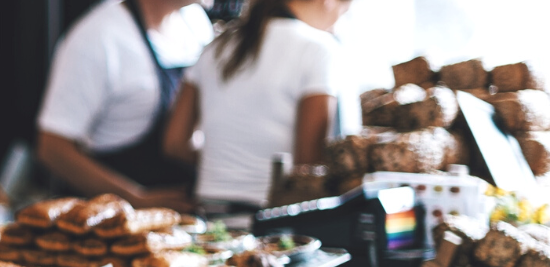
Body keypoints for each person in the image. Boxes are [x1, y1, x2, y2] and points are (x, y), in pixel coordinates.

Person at [163, 0, 355, 212]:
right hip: (271, 218)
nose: (338, 24)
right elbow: (307, 165)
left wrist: (229, 165)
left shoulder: (216, 45)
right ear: (328, 2)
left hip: (209, 212)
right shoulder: (319, 49)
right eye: (343, 12)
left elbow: (175, 144)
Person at [37, 0, 214, 212]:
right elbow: (53, 149)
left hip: (185, 219)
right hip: (116, 222)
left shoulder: (196, 24)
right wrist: (136, 199)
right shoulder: (98, 38)